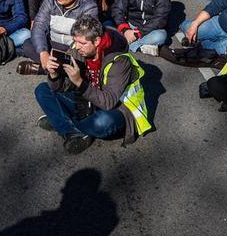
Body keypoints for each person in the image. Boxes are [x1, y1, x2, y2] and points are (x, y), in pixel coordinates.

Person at [32, 15, 151, 154]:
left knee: (103, 123)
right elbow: (62, 87)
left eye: (82, 43)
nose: (77, 47)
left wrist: (79, 82)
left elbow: (108, 102)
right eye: (75, 41)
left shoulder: (119, 61)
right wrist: (54, 75)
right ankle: (72, 129)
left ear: (97, 41)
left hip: (117, 109)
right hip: (86, 103)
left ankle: (62, 122)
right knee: (42, 90)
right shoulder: (77, 48)